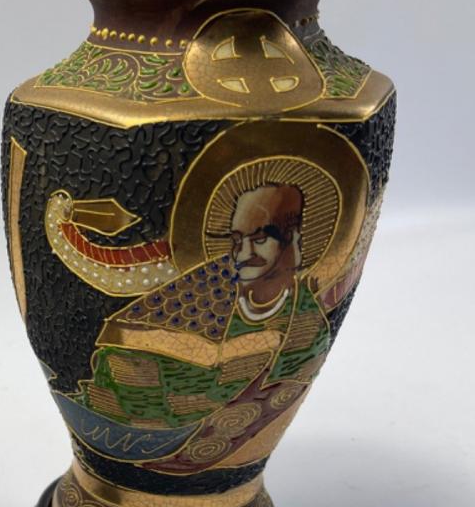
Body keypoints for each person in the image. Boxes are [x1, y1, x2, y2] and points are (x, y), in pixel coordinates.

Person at [65, 180, 331, 473]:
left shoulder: (305, 322)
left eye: (259, 239)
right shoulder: (213, 281)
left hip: (211, 430)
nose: (243, 254)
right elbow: (124, 334)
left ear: (291, 239)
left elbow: (285, 383)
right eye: (236, 240)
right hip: (143, 414)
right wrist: (219, 352)